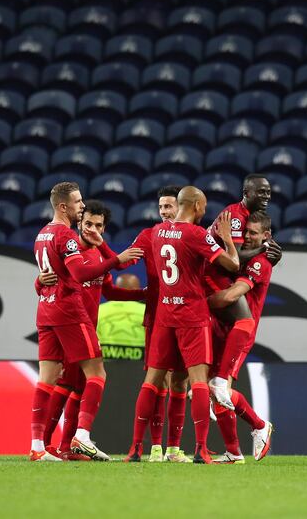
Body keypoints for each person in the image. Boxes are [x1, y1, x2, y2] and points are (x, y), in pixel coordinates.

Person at [125, 186, 240, 464]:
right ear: (197, 205)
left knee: (152, 380)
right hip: (191, 314)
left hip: (164, 315)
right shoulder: (196, 234)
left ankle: (136, 448)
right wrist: (227, 240)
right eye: (203, 207)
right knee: (197, 381)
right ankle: (201, 448)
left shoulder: (156, 233)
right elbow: (233, 265)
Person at [31, 182, 142, 461]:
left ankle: (55, 447)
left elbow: (109, 290)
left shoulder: (53, 237)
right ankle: (67, 440)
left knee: (72, 384)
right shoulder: (70, 242)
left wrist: (144, 294)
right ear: (66, 208)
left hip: (68, 320)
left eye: (98, 225)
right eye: (87, 219)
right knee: (72, 381)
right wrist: (38, 281)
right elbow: (74, 274)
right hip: (70, 319)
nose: (91, 227)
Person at [122, 186, 192, 462]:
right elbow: (122, 262)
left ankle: (173, 450)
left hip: (184, 317)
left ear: (181, 207)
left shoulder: (191, 234)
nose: (164, 212)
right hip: (158, 317)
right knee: (157, 379)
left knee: (180, 381)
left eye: (169, 206)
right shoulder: (149, 234)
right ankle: (153, 448)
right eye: (161, 207)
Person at [204, 174, 282, 408]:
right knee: (245, 323)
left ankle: (247, 432)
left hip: (218, 285)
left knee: (214, 389)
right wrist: (263, 249)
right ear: (246, 193)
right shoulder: (236, 218)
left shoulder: (246, 221)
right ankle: (257, 428)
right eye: (261, 192)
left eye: (268, 192)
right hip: (211, 277)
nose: (266, 196)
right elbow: (234, 260)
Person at [208, 211, 275, 463]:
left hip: (241, 331)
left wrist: (193, 302)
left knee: (219, 387)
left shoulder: (261, 262)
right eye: (245, 232)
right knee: (214, 391)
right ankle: (233, 452)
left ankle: (259, 426)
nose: (247, 237)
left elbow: (230, 296)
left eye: (254, 233)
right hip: (223, 328)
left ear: (266, 236)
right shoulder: (243, 256)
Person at [96, 273, 148, 361]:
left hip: (105, 362)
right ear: (138, 290)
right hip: (139, 364)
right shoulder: (146, 311)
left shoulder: (99, 310)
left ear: (116, 288)